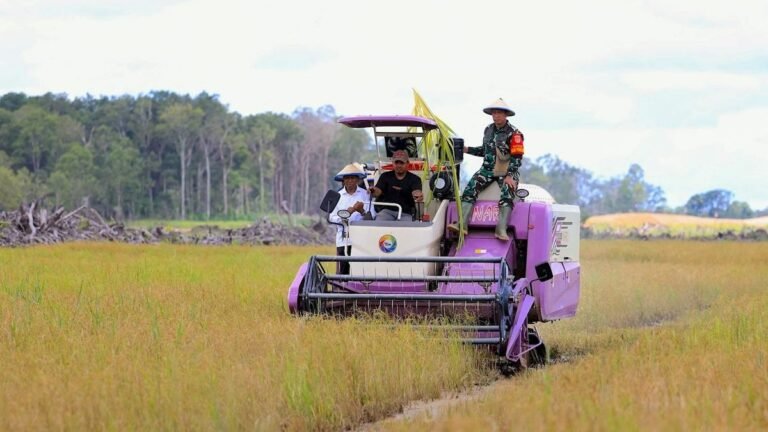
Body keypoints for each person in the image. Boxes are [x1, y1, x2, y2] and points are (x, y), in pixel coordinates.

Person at [447, 98, 522, 241]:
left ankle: (501, 229)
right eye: (494, 113)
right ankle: (462, 225)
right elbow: (485, 151)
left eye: (499, 113)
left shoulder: (515, 133)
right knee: (469, 189)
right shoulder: (488, 130)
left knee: (508, 193)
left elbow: (517, 156)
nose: (496, 116)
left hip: (506, 170)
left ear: (506, 115)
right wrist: (467, 149)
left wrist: (510, 175)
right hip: (487, 170)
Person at [330, 164, 371, 274]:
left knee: (361, 271)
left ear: (357, 180)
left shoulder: (365, 195)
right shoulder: (337, 196)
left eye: (352, 178)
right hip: (344, 239)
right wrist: (348, 213)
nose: (350, 181)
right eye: (347, 178)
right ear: (343, 180)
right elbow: (332, 217)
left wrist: (362, 211)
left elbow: (372, 218)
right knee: (344, 272)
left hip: (362, 239)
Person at [369, 150, 424, 221]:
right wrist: (373, 190)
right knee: (379, 221)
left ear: (407, 163)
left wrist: (418, 195)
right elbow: (378, 191)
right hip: (386, 211)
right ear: (392, 163)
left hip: (406, 213)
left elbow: (416, 191)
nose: (399, 165)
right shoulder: (385, 176)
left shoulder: (415, 179)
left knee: (407, 226)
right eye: (396, 162)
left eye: (401, 163)